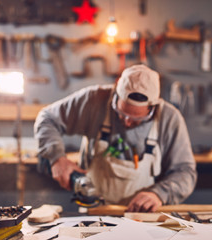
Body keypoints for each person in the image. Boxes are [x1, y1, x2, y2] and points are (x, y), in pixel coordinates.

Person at [34, 64, 197, 212]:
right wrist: (56, 157)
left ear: (152, 107)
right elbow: (47, 118)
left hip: (141, 218)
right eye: (121, 114)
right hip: (93, 214)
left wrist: (159, 194)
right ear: (116, 93)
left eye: (136, 120)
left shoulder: (169, 119)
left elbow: (185, 172)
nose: (126, 122)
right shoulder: (94, 100)